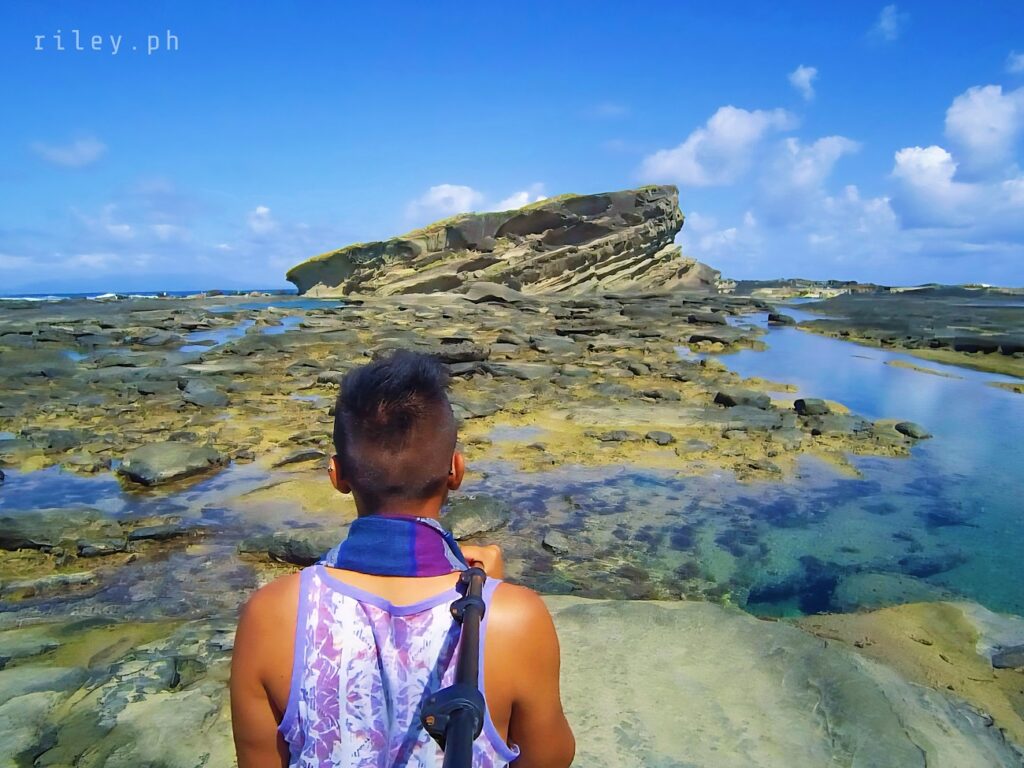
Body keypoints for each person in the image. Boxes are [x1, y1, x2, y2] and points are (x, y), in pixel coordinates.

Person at [230, 350, 575, 768]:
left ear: (338, 475)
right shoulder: (516, 619)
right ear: (456, 470)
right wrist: (493, 596)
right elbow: (550, 757)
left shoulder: (270, 615)